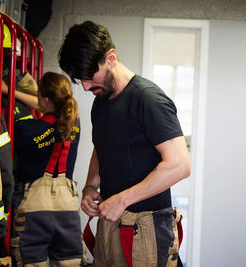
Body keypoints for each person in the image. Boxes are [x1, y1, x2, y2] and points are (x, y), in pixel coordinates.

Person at [59, 20, 191, 267]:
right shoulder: (101, 102)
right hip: (110, 227)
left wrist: (121, 200)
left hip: (147, 231)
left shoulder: (148, 99)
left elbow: (180, 165)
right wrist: (90, 186)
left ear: (111, 58)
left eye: (89, 77)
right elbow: (102, 147)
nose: (86, 87)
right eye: (81, 80)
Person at [9, 72, 85, 266]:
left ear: (45, 99)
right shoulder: (74, 123)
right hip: (67, 207)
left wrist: (9, 92)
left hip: (33, 207)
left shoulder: (25, 129)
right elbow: (50, 109)